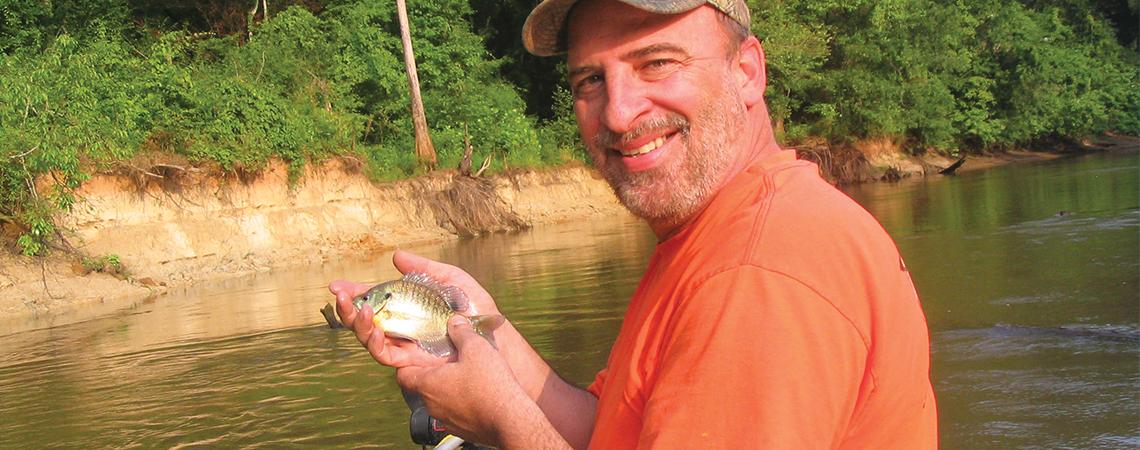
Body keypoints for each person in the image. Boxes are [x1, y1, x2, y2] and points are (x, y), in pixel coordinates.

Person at [330, 0, 939, 447]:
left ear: (747, 72)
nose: (619, 114)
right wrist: (489, 336)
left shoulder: (759, 270)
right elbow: (615, 433)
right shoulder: (721, 234)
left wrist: (499, 420)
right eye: (590, 80)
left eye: (656, 63)